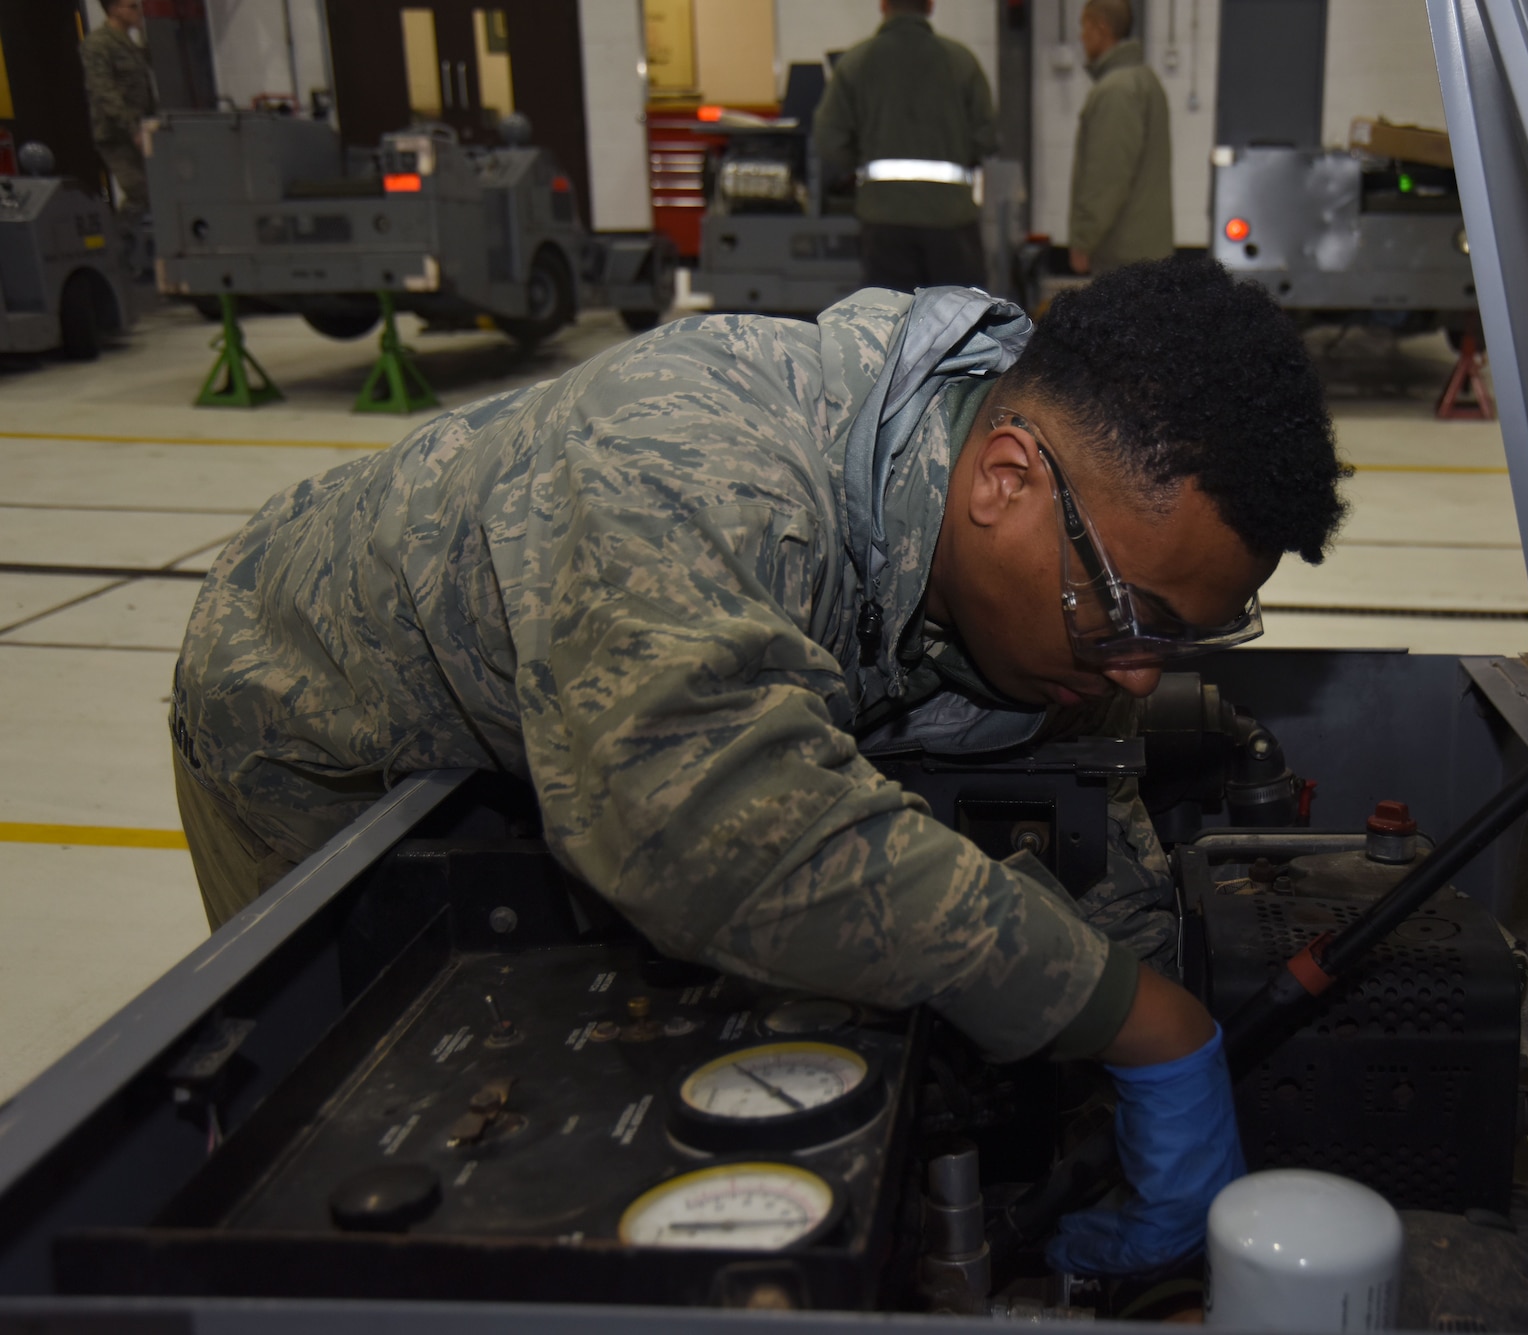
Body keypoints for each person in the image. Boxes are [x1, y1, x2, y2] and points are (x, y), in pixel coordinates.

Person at [171, 258, 1343, 1275]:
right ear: (1004, 482)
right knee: (373, 1123)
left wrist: (1156, 1089)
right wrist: (1135, 1019)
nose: (1140, 677)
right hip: (324, 739)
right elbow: (696, 819)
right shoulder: (700, 447)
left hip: (571, 746)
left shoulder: (1065, 619)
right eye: (1132, 619)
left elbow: (1100, 847)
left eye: (1176, 640)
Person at [813, 0, 997, 292]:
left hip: (885, 220)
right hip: (951, 219)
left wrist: (861, 164)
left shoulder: (858, 61)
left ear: (883, 5)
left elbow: (828, 138)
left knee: (892, 321)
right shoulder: (961, 61)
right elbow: (987, 136)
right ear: (930, 6)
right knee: (958, 322)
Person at [1068, 0, 1174, 277]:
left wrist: (1083, 239)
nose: (1081, 36)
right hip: (1145, 249)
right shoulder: (1144, 80)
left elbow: (1107, 175)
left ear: (1100, 28)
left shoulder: (1117, 90)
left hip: (1123, 254)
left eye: (1084, 26)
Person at [79, 0, 157, 220]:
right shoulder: (98, 44)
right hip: (117, 135)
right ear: (114, 10)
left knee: (154, 193)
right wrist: (133, 129)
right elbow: (104, 92)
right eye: (133, 6)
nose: (139, 11)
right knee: (141, 193)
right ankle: (121, 244)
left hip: (141, 129)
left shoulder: (129, 43)